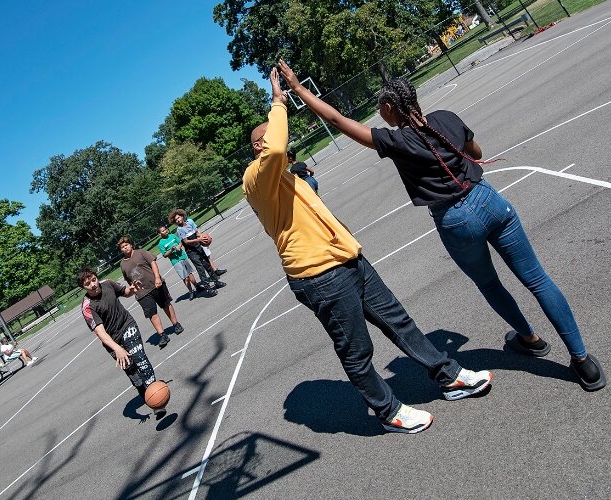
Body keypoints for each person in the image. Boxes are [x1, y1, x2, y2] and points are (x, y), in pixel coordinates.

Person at [278, 60, 605, 392]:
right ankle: (582, 360)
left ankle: (530, 338)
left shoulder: (397, 142)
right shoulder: (445, 118)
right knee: (537, 278)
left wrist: (298, 88)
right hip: (489, 199)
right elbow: (475, 151)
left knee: (491, 285)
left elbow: (336, 119)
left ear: (390, 107)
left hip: (456, 220)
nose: (381, 115)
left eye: (381, 109)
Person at [242, 67, 493, 434]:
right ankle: (387, 410)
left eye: (273, 130)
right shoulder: (255, 179)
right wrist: (278, 101)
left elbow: (283, 152)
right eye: (264, 136)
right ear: (257, 147)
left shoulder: (290, 175)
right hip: (318, 276)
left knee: (399, 322)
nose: (274, 137)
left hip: (349, 260)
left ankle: (448, 376)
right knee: (356, 350)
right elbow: (275, 144)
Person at [78, 268, 166, 418]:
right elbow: (101, 333)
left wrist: (132, 289)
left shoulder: (108, 284)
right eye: (87, 284)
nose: (93, 284)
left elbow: (125, 292)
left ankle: (156, 399)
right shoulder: (88, 307)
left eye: (93, 279)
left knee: (140, 359)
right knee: (133, 373)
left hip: (127, 325)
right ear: (83, 287)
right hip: (112, 340)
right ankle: (146, 395)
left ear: (96, 277)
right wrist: (117, 348)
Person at [118, 236, 183, 348]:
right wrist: (134, 289)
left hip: (155, 285)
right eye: (122, 247)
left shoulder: (141, 253)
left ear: (131, 245)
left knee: (166, 304)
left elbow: (153, 263)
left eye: (126, 245)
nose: (125, 248)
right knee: (152, 313)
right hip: (142, 293)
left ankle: (176, 324)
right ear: (121, 250)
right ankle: (162, 335)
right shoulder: (122, 264)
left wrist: (157, 278)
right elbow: (128, 279)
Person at [157, 225, 216, 301]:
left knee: (190, 273)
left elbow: (180, 243)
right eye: (163, 231)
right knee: (185, 277)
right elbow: (165, 255)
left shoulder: (172, 236)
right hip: (175, 261)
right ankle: (190, 291)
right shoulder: (161, 243)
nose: (165, 231)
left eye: (165, 229)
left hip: (183, 257)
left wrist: (179, 246)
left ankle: (197, 287)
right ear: (159, 234)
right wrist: (171, 250)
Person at [169, 209, 226, 287]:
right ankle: (207, 287)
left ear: (182, 216)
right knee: (200, 269)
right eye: (176, 220)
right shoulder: (179, 230)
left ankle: (216, 281)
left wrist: (204, 237)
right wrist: (199, 239)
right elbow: (185, 242)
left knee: (207, 265)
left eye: (178, 218)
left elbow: (197, 232)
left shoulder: (189, 223)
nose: (178, 220)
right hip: (191, 251)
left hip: (198, 247)